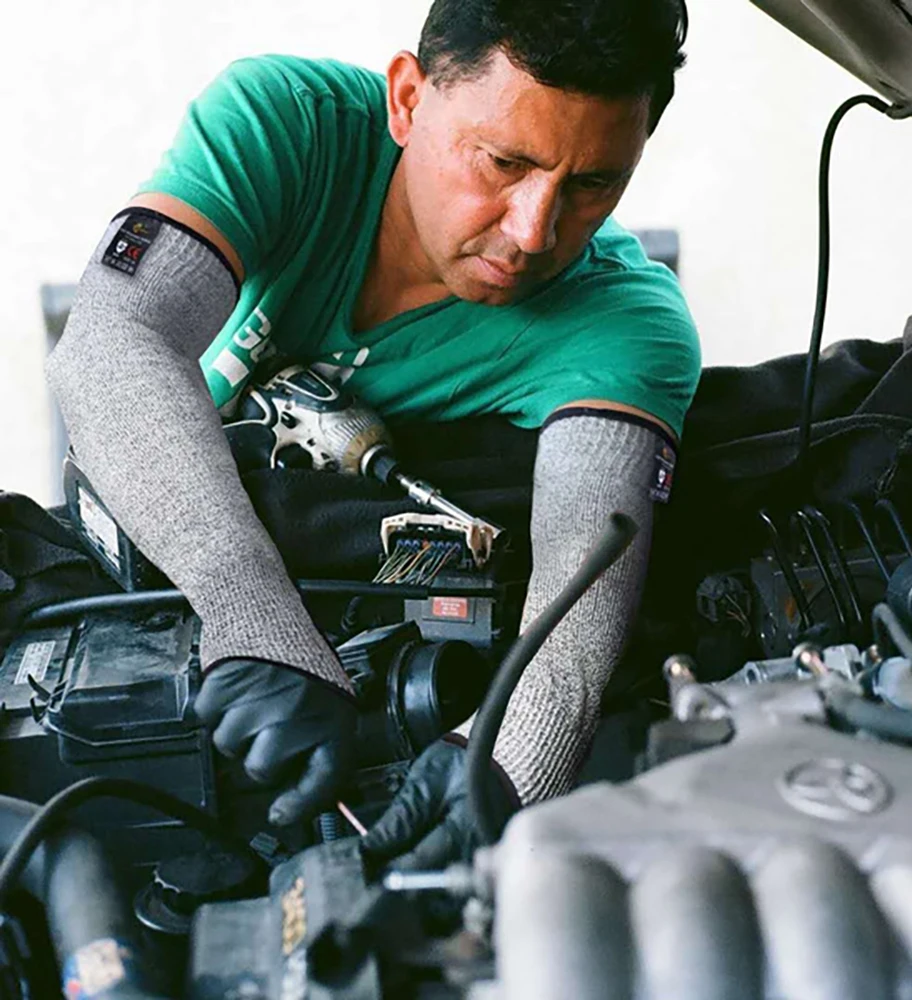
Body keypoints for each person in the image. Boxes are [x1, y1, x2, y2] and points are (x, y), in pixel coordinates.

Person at [46, 0, 700, 869]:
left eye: (592, 185)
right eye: (503, 161)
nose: (534, 229)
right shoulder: (290, 124)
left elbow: (583, 585)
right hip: (137, 593)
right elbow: (107, 342)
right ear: (407, 99)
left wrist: (497, 776)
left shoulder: (629, 325)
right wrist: (254, 619)